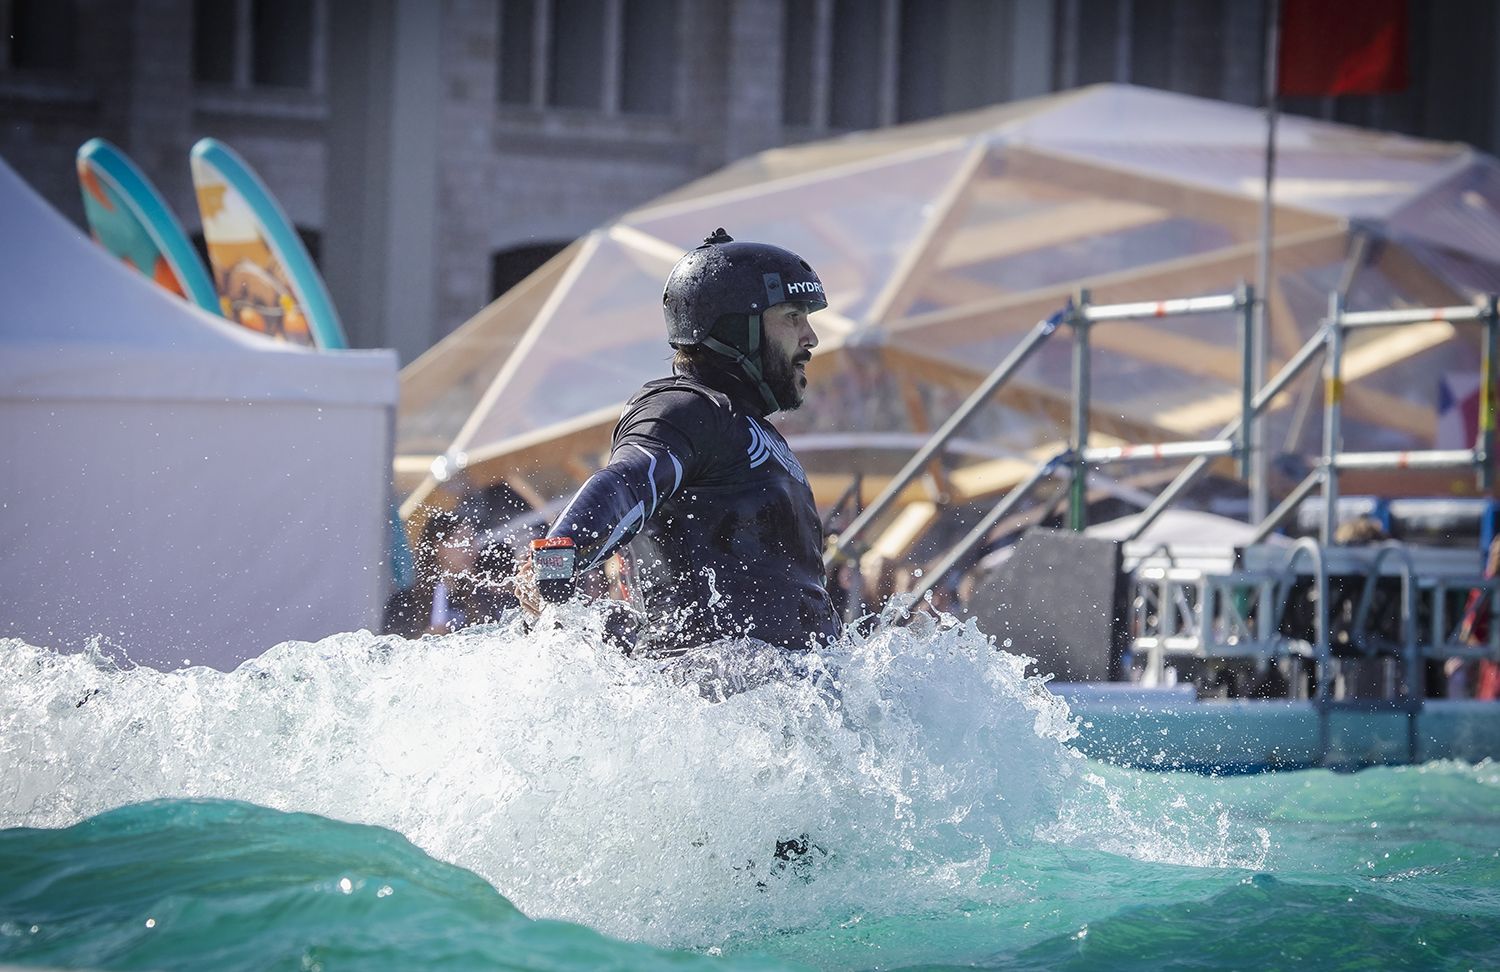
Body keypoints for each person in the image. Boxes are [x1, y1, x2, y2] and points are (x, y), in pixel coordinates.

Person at [518, 228, 842, 660]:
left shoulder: (748, 428)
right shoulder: (683, 407)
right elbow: (630, 477)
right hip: (710, 689)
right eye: (792, 317)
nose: (810, 337)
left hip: (786, 687)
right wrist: (564, 549)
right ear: (737, 327)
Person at [384, 510, 504, 637]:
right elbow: (391, 644)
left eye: (472, 542)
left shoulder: (481, 599)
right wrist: (424, 638)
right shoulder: (404, 602)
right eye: (463, 541)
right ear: (438, 546)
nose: (471, 550)